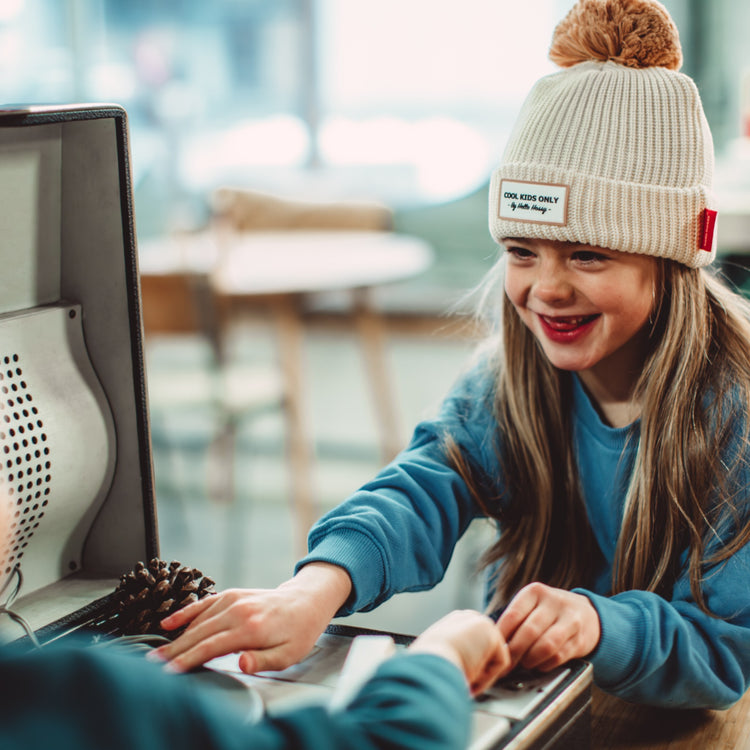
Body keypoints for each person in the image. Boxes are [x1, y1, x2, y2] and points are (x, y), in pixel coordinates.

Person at [153, 0, 750, 711]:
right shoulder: (508, 383)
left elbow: (727, 650)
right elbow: (419, 489)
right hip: (551, 704)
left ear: (672, 259)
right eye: (522, 253)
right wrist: (315, 587)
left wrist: (597, 621)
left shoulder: (735, 411)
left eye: (588, 254)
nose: (547, 290)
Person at [0, 489, 509, 750]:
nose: (18, 500)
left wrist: (316, 586)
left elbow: (422, 485)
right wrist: (444, 654)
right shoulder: (78, 697)